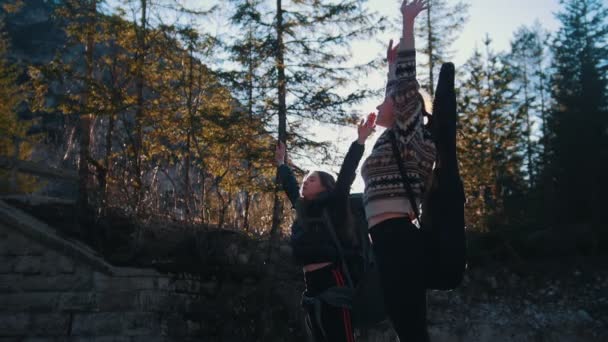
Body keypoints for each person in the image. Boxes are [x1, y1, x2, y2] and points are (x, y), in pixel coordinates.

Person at [360, 0, 440, 341]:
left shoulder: (409, 132)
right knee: (406, 326)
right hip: (385, 240)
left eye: (386, 101)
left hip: (399, 239)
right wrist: (390, 68)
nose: (378, 106)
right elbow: (396, 89)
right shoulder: (396, 135)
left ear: (407, 107)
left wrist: (408, 24)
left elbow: (405, 86)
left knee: (410, 327)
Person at [275, 114, 376, 342]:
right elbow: (291, 187)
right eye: (306, 180)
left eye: (311, 179)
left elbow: (346, 175)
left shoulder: (335, 204)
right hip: (311, 284)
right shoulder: (304, 208)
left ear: (324, 185)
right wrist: (281, 164)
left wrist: (360, 141)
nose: (305, 182)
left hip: (333, 280)